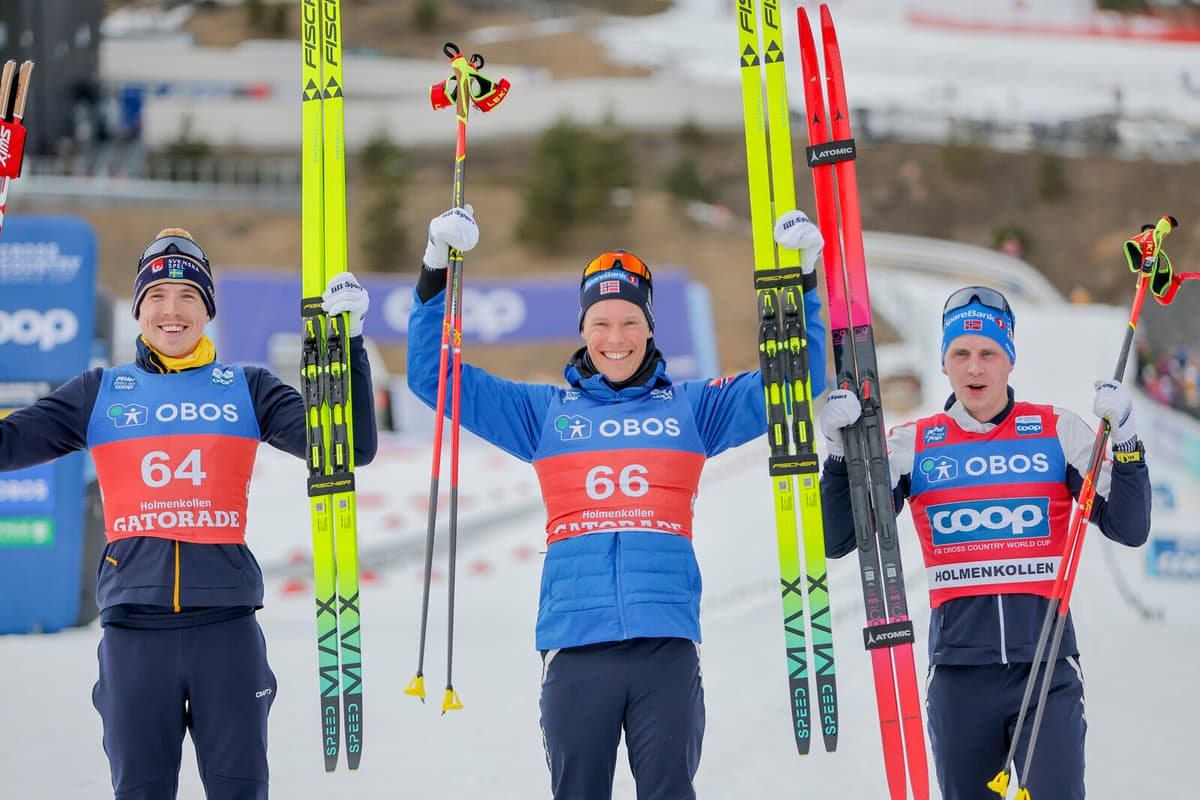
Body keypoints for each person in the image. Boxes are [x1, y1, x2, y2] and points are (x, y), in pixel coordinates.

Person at [408, 206, 827, 799]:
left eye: (629, 322)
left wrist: (805, 280)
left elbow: (792, 380)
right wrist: (435, 269)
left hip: (666, 647)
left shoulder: (692, 407)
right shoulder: (544, 413)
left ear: (650, 328)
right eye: (601, 323)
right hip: (577, 646)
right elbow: (433, 377)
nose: (615, 339)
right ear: (583, 329)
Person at [0, 228, 377, 799]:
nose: (171, 311)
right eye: (156, 296)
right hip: (134, 635)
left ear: (207, 310)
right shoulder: (101, 391)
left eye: (187, 296)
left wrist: (348, 347)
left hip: (225, 631)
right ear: (138, 310)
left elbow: (350, 448)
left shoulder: (247, 388)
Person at [818, 285, 1151, 800]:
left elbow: (1129, 528)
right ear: (945, 364)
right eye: (961, 354)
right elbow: (840, 538)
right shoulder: (912, 446)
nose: (975, 368)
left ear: (1009, 361)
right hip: (959, 676)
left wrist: (1126, 438)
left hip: (1046, 672)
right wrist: (839, 456)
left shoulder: (1057, 432)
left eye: (988, 354)